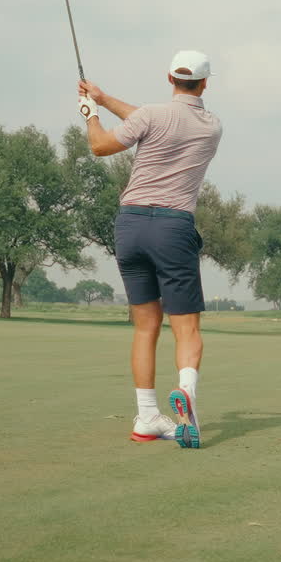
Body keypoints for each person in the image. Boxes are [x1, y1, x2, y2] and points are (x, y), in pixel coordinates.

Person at [77, 50, 223, 445]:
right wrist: (104, 99)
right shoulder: (212, 126)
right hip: (173, 228)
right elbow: (154, 120)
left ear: (169, 78)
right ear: (205, 83)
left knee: (145, 326)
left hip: (130, 225)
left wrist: (91, 113)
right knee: (187, 327)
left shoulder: (151, 116)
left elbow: (101, 146)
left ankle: (146, 418)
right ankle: (187, 398)